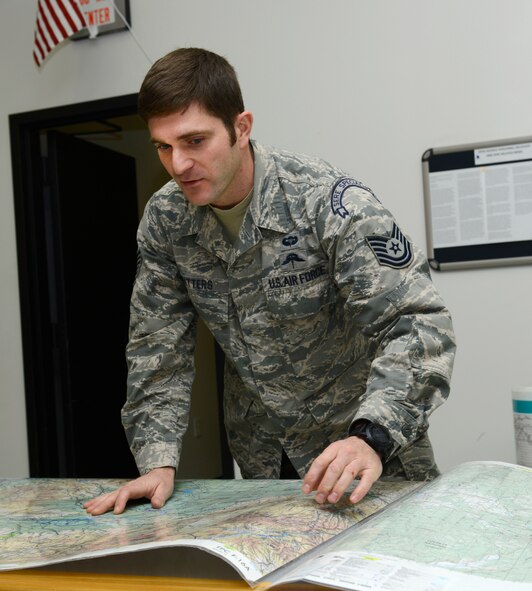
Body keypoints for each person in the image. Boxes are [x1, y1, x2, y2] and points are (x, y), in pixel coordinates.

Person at [84, 47, 456, 516]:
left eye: (194, 141)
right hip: (266, 462)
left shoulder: (326, 200)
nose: (178, 164)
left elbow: (420, 324)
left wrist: (372, 436)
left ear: (241, 127)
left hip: (367, 455)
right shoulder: (165, 219)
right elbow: (158, 347)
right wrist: (158, 461)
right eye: (163, 146)